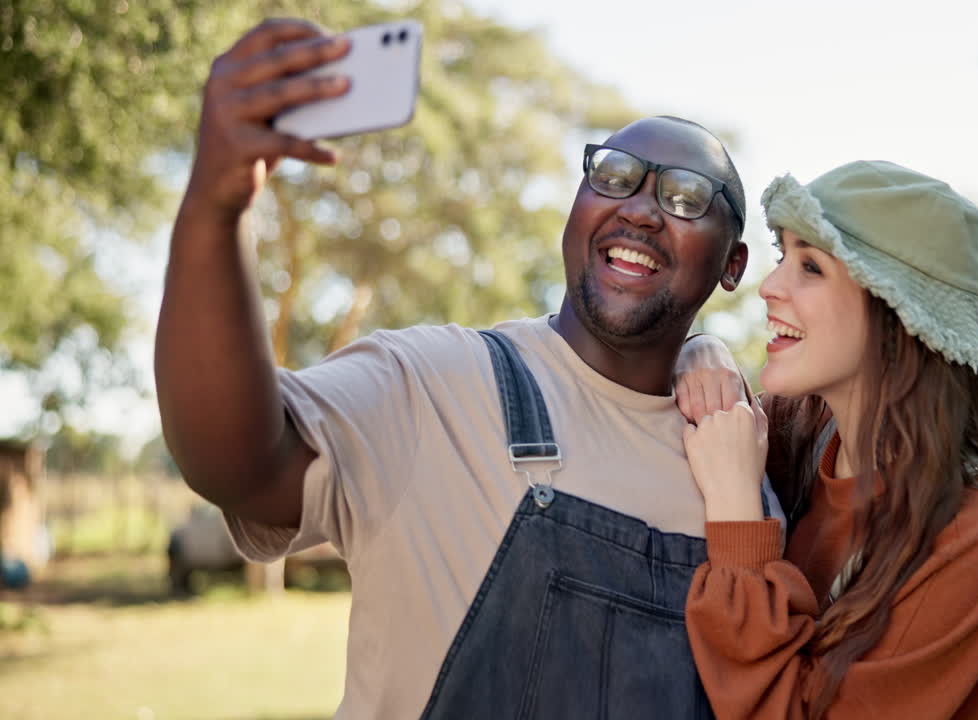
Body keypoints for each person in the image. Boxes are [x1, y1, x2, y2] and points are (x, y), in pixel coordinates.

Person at [154, 19, 759, 718]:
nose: (642, 210)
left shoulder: (742, 458)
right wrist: (214, 210)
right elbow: (237, 466)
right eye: (615, 176)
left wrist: (709, 352)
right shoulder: (433, 382)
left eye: (685, 197)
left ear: (733, 265)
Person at [675, 161, 978, 718]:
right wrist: (702, 351)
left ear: (896, 316)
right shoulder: (798, 435)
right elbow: (718, 403)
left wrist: (736, 521)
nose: (770, 285)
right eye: (783, 256)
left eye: (810, 266)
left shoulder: (975, 538)